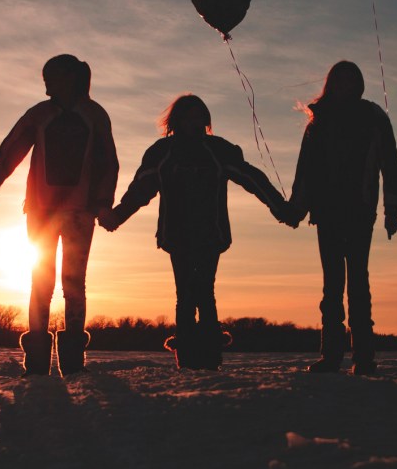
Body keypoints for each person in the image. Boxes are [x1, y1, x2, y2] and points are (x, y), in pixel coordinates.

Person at [99, 94, 296, 370]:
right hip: (176, 235)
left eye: (199, 118)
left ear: (206, 121)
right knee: (185, 294)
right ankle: (189, 357)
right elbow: (141, 190)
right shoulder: (162, 152)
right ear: (176, 121)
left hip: (210, 234)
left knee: (204, 290)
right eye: (188, 118)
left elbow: (252, 179)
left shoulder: (218, 150)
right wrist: (118, 216)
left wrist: (280, 208)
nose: (194, 123)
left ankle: (210, 356)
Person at [0, 54, 119, 376]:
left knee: (74, 284)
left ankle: (73, 360)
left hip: (80, 212)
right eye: (45, 77)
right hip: (39, 211)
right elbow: (10, 150)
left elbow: (108, 161)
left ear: (70, 78)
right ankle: (37, 359)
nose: (47, 83)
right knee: (41, 283)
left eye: (51, 76)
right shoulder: (39, 114)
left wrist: (103, 202)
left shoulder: (94, 114)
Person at [288, 61, 397, 375]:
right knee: (332, 285)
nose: (344, 86)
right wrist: (296, 209)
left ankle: (364, 357)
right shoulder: (319, 120)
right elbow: (306, 170)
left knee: (357, 283)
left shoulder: (372, 116)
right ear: (330, 84)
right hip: (326, 212)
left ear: (358, 85)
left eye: (350, 80)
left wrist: (392, 210)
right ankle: (331, 355)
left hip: (359, 209)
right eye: (338, 80)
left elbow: (390, 163)